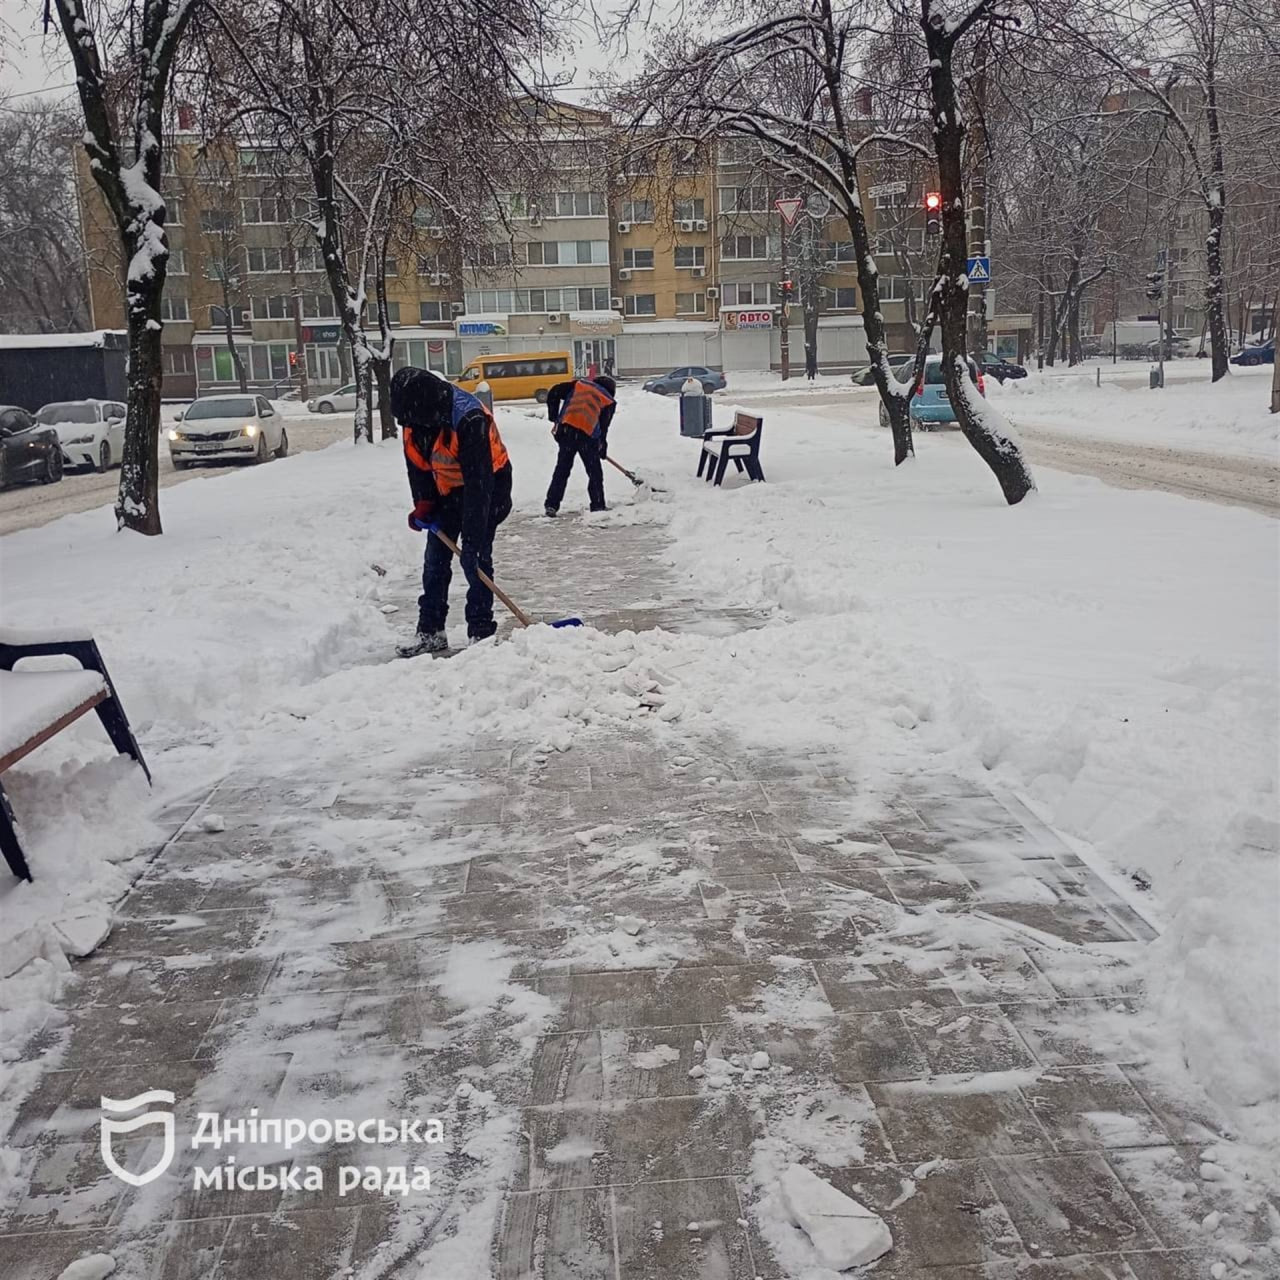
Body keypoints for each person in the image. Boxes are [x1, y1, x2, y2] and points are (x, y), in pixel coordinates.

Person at [390, 367, 512, 657]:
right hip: (447, 491)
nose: (407, 426)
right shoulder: (413, 418)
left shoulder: (469, 418)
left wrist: (471, 539)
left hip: (489, 488)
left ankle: (481, 633)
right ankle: (431, 631)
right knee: (435, 562)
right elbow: (418, 466)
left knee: (477, 561)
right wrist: (424, 502)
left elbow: (478, 484)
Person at [543, 373, 616, 517]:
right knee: (594, 472)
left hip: (566, 431)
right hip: (587, 438)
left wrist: (553, 416)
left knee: (562, 470)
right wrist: (602, 446)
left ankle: (551, 505)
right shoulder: (608, 400)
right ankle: (598, 505)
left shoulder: (578, 385)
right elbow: (603, 427)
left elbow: (553, 392)